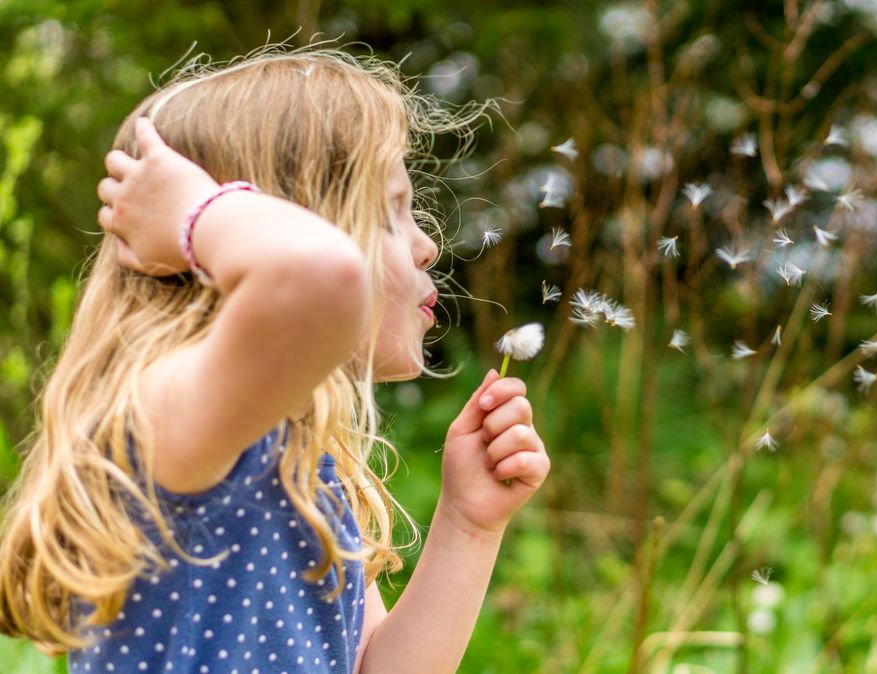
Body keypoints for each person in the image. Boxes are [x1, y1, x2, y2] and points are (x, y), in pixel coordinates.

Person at [0, 44, 550, 674]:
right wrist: (194, 212)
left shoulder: (305, 460)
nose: (426, 244)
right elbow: (318, 279)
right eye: (392, 211)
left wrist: (468, 523)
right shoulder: (174, 421)